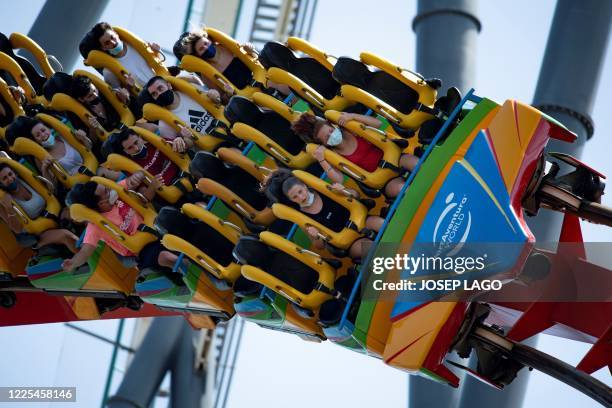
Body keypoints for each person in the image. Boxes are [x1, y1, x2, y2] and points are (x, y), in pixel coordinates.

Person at [61, 173, 176, 275]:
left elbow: (134, 178)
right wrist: (73, 262)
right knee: (166, 257)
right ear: (100, 203)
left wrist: (137, 176)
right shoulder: (95, 226)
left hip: (155, 228)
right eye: (106, 192)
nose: (110, 190)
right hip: (142, 250)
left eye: (107, 188)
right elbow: (85, 252)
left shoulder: (116, 190)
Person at [291, 112, 419, 198]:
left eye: (331, 131)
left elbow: (377, 123)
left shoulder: (350, 128)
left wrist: (352, 116)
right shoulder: (333, 155)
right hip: (386, 181)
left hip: (396, 160)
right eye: (327, 137)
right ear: (324, 143)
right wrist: (322, 160)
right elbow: (339, 180)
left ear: (333, 126)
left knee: (416, 164)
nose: (332, 135)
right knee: (403, 189)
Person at [263, 169, 382, 260]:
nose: (301, 197)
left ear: (304, 186)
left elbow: (356, 195)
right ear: (291, 200)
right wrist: (316, 236)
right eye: (295, 197)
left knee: (382, 224)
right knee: (373, 248)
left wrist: (344, 191)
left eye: (300, 191)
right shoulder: (301, 215)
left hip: (361, 222)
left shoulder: (323, 190)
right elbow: (319, 246)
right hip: (349, 242)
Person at [173, 30, 291, 100]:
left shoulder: (226, 46)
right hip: (250, 94)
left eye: (205, 44)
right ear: (198, 55)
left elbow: (256, 60)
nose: (206, 48)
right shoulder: (206, 73)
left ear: (208, 40)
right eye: (201, 49)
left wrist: (251, 51)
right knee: (262, 101)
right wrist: (228, 94)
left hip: (263, 78)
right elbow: (222, 97)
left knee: (280, 83)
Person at [6, 116, 119, 187]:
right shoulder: (40, 157)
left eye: (43, 130)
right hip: (82, 185)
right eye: (38, 135)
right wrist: (45, 169)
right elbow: (53, 187)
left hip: (95, 169)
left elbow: (88, 148)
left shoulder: (63, 136)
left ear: (48, 128)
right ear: (35, 140)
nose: (43, 135)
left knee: (106, 171)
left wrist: (84, 138)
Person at [0, 163, 78, 252]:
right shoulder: (2, 201)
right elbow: (17, 230)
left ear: (14, 173)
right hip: (40, 233)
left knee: (77, 211)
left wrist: (45, 170)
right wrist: (9, 208)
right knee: (66, 235)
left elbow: (51, 190)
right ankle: (88, 259)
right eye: (4, 178)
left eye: (10, 174)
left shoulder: (26, 180)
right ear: (1, 184)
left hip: (54, 214)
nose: (10, 179)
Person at [79, 22, 159, 94]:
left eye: (112, 37)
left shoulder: (135, 44)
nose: (113, 43)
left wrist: (156, 52)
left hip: (164, 83)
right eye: (107, 43)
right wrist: (128, 87)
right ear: (103, 48)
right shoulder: (109, 72)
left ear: (116, 34)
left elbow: (157, 64)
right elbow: (122, 100)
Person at [140, 75, 222, 144]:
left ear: (169, 86)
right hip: (212, 147)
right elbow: (186, 147)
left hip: (223, 127)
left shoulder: (190, 91)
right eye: (154, 94)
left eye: (160, 88)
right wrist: (185, 140)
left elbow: (217, 104)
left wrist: (215, 96)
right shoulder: (164, 123)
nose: (159, 94)